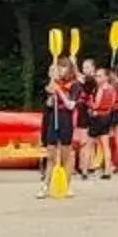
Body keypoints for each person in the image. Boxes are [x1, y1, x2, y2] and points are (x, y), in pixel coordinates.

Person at [39, 59, 77, 199]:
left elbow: (71, 105)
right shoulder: (54, 84)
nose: (61, 70)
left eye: (64, 68)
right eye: (59, 68)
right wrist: (52, 91)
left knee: (66, 155)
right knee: (51, 154)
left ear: (69, 69)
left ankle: (67, 186)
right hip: (53, 119)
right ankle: (45, 186)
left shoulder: (75, 85)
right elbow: (49, 103)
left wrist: (60, 92)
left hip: (66, 119)